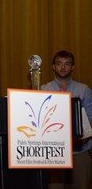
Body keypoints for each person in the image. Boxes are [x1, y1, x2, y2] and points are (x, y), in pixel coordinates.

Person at [41, 50, 92, 189]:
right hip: (54, 153)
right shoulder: (44, 89)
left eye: (67, 64)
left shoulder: (84, 90)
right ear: (53, 66)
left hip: (80, 150)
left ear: (73, 67)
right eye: (59, 64)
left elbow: (90, 118)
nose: (63, 67)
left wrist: (83, 138)